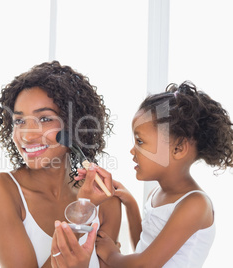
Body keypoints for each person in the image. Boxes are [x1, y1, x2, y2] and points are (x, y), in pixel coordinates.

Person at [0, 61, 122, 268]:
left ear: (74, 125)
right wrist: (82, 212)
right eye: (19, 121)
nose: (27, 136)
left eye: (45, 118)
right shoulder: (0, 190)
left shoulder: (105, 202)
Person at [90, 81, 233, 267]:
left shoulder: (195, 205)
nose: (132, 151)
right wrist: (131, 204)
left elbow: (144, 265)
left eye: (140, 142)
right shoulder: (156, 194)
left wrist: (111, 254)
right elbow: (144, 250)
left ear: (178, 148)